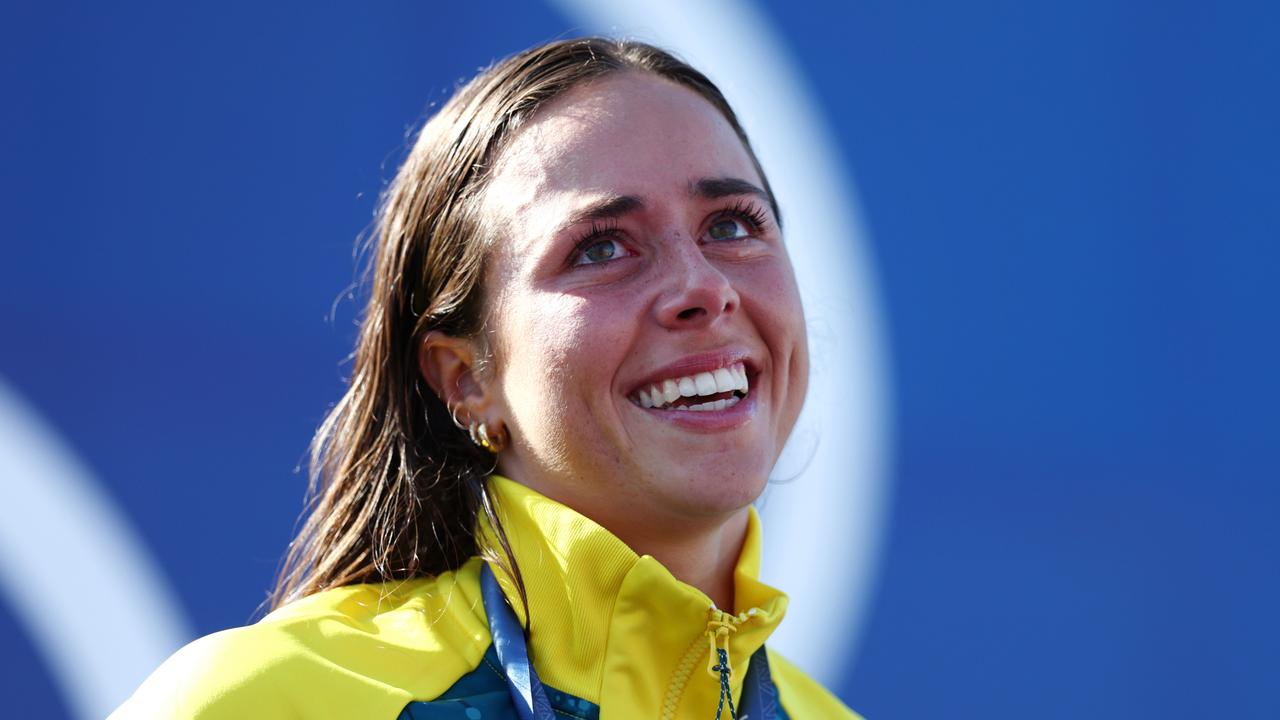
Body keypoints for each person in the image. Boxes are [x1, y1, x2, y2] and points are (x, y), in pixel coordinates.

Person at [112, 37, 862, 719]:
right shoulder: (262, 705)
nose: (704, 288)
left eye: (732, 225)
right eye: (603, 247)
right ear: (465, 379)